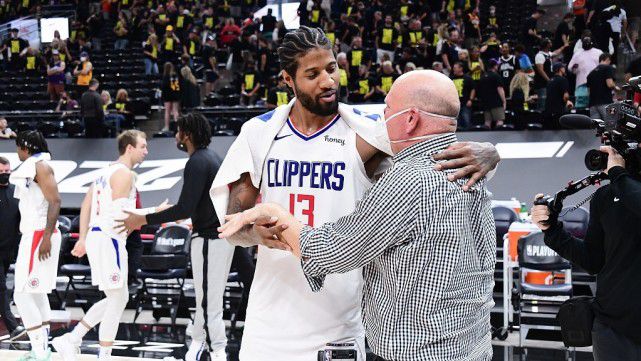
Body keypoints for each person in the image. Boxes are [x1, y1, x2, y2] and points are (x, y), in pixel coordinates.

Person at [208, 26, 500, 361]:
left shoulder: (369, 131)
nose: (328, 81)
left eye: (332, 68)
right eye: (312, 74)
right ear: (288, 79)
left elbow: (435, 154)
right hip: (269, 318)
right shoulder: (258, 133)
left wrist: (491, 153)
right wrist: (257, 234)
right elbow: (233, 225)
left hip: (341, 322)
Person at [117, 113, 230, 361]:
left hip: (211, 239)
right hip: (217, 238)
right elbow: (199, 206)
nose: (176, 136)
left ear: (187, 134)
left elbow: (184, 207)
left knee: (209, 302)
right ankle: (197, 344)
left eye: (179, 131)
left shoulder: (198, 161)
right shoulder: (210, 158)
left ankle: (218, 351)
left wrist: (142, 219)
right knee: (206, 298)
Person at [532, 145, 641, 361]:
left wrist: (618, 174)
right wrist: (552, 230)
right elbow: (593, 261)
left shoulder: (621, 184)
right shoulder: (606, 195)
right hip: (612, 329)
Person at [52, 130, 151, 361]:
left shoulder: (105, 172)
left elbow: (86, 205)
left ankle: (73, 339)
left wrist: (84, 238)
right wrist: (154, 213)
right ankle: (101, 353)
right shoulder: (125, 174)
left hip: (99, 237)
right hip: (110, 238)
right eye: (143, 146)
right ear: (129, 148)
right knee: (118, 298)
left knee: (118, 296)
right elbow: (122, 214)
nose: (146, 151)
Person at [10, 131, 62, 361]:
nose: (17, 151)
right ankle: (42, 349)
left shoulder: (40, 167)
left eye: (18, 147)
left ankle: (40, 351)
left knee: (21, 294)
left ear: (26, 147)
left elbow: (56, 201)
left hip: (40, 233)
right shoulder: (34, 167)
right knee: (36, 292)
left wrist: (47, 236)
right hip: (36, 232)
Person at [0, 157, 25, 340]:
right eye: (1, 172)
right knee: (2, 288)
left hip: (8, 251)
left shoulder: (16, 192)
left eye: (7, 172)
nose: (5, 175)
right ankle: (13, 327)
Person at [568, 36, 602, 109]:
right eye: (585, 43)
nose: (586, 44)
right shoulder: (578, 53)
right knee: (581, 106)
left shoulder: (598, 52)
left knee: (595, 105)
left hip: (595, 83)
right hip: (581, 83)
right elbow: (570, 68)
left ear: (591, 43)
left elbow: (602, 67)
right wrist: (574, 67)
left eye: (588, 43)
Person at [587, 53, 620, 122]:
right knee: (611, 124)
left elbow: (588, 91)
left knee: (597, 127)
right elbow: (610, 84)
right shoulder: (607, 68)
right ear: (607, 59)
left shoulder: (591, 73)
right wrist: (616, 88)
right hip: (606, 103)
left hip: (593, 105)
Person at [477, 59, 506, 129]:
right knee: (499, 121)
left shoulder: (482, 77)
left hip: (485, 103)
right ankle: (499, 138)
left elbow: (479, 90)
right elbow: (500, 89)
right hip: (496, 102)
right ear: (495, 66)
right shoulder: (496, 76)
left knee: (487, 122)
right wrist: (504, 101)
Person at [543, 63, 573, 129]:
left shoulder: (550, 81)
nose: (564, 69)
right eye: (563, 68)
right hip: (558, 112)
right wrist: (568, 102)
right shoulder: (563, 80)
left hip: (548, 112)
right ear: (560, 69)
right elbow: (565, 96)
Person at [450, 61, 475, 130]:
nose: (453, 69)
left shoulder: (468, 78)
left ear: (461, 68)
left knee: (466, 120)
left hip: (465, 103)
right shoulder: (451, 78)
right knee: (456, 123)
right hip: (455, 104)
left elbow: (473, 89)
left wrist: (470, 100)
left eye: (455, 68)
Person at [161, 62, 181, 132]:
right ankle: (178, 127)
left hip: (167, 95)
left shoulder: (165, 76)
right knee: (175, 111)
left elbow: (164, 86)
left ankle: (167, 126)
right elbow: (177, 86)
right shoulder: (175, 76)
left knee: (167, 111)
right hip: (175, 95)